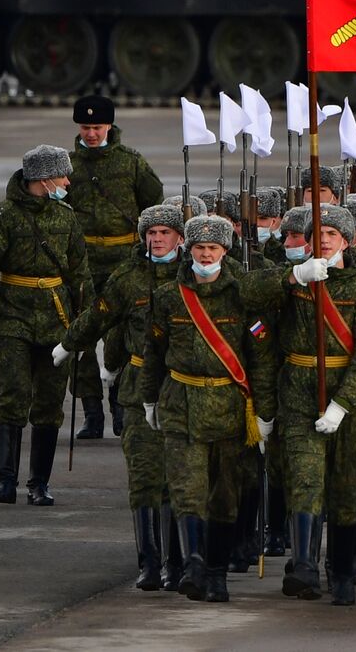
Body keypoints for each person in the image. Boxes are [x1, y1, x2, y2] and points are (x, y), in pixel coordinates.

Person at [239, 204, 356, 606]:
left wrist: (342, 404)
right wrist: (293, 277)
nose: (322, 241)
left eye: (331, 235)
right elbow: (246, 293)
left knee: (344, 487)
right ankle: (303, 566)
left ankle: (341, 571)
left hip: (345, 398)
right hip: (298, 392)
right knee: (304, 479)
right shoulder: (293, 280)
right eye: (316, 235)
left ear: (347, 241)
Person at [140, 215, 277, 603]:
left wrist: (264, 414)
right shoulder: (169, 297)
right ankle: (195, 564)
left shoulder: (242, 297)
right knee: (187, 491)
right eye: (199, 248)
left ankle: (216, 573)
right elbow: (153, 353)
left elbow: (261, 360)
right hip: (181, 403)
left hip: (230, 412)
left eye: (212, 248)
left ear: (224, 252)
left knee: (224, 496)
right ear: (189, 250)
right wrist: (150, 399)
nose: (205, 254)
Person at [56, 203, 188, 589]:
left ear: (180, 237)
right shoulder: (129, 278)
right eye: (152, 233)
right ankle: (148, 562)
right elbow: (100, 315)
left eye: (165, 232)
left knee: (177, 479)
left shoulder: (191, 277)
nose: (157, 239)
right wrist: (69, 343)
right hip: (136, 388)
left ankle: (176, 563)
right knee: (144, 478)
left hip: (182, 389)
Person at [0, 144, 92, 506]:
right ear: (43, 179)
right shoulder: (1, 218)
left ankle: (39, 484)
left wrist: (85, 331)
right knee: (13, 394)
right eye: (62, 175)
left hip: (56, 320)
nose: (67, 181)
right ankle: (6, 481)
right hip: (13, 317)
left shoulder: (66, 217)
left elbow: (81, 278)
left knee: (49, 402)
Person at [66, 95, 164, 439]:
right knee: (81, 336)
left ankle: (120, 407)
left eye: (97, 127)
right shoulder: (67, 165)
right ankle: (91, 412)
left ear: (109, 126)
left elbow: (154, 202)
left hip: (123, 258)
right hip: (82, 261)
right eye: (85, 127)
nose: (91, 133)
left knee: (120, 336)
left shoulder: (131, 162)